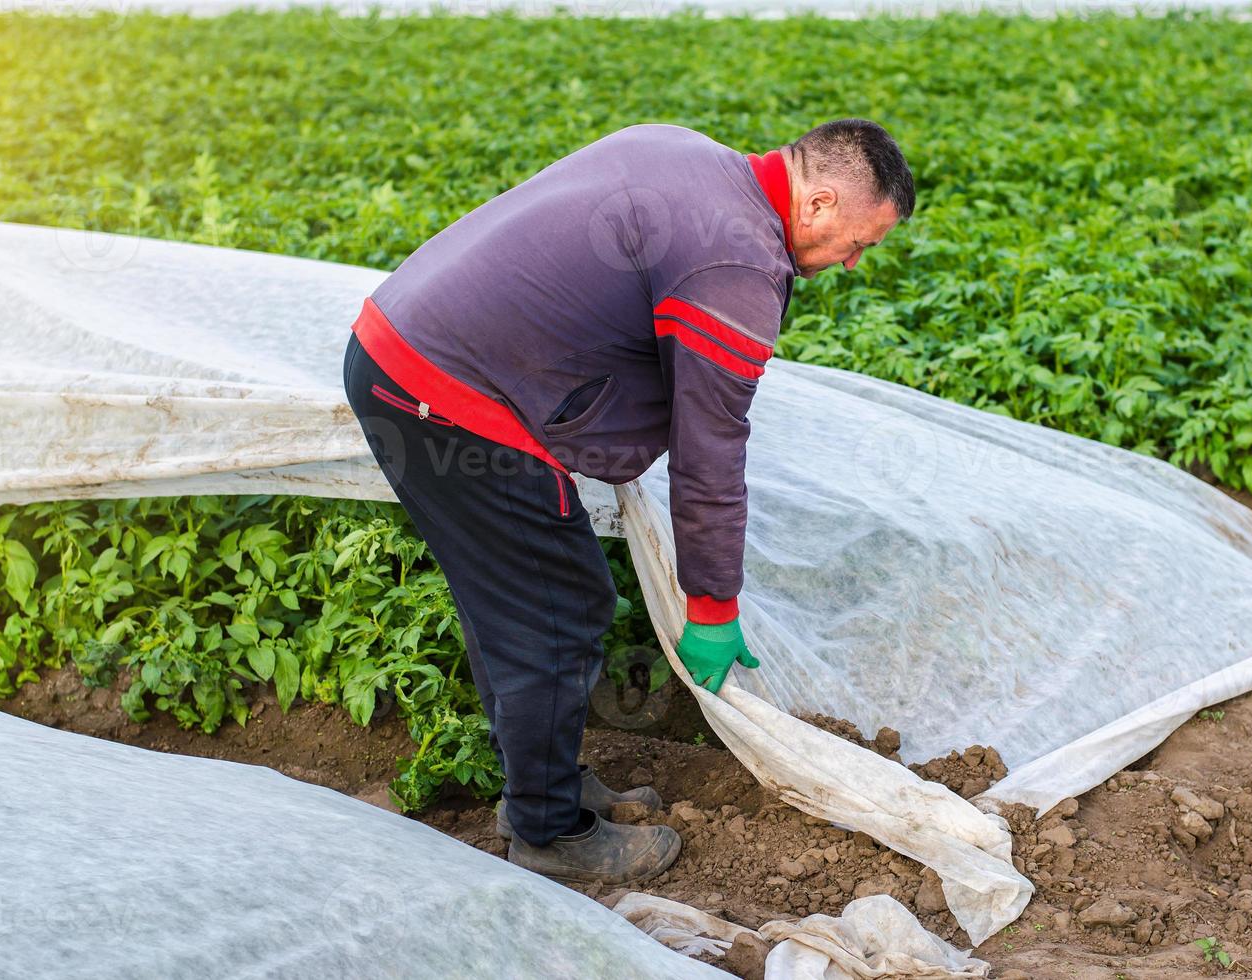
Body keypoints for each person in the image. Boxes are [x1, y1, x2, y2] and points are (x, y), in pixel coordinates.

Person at [342, 119, 914, 885]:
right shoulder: (735, 265)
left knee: (518, 601)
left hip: (399, 349)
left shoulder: (687, 152)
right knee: (560, 609)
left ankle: (539, 786)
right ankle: (547, 833)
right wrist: (712, 606)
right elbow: (709, 456)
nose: (851, 263)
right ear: (816, 204)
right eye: (859, 243)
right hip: (445, 397)